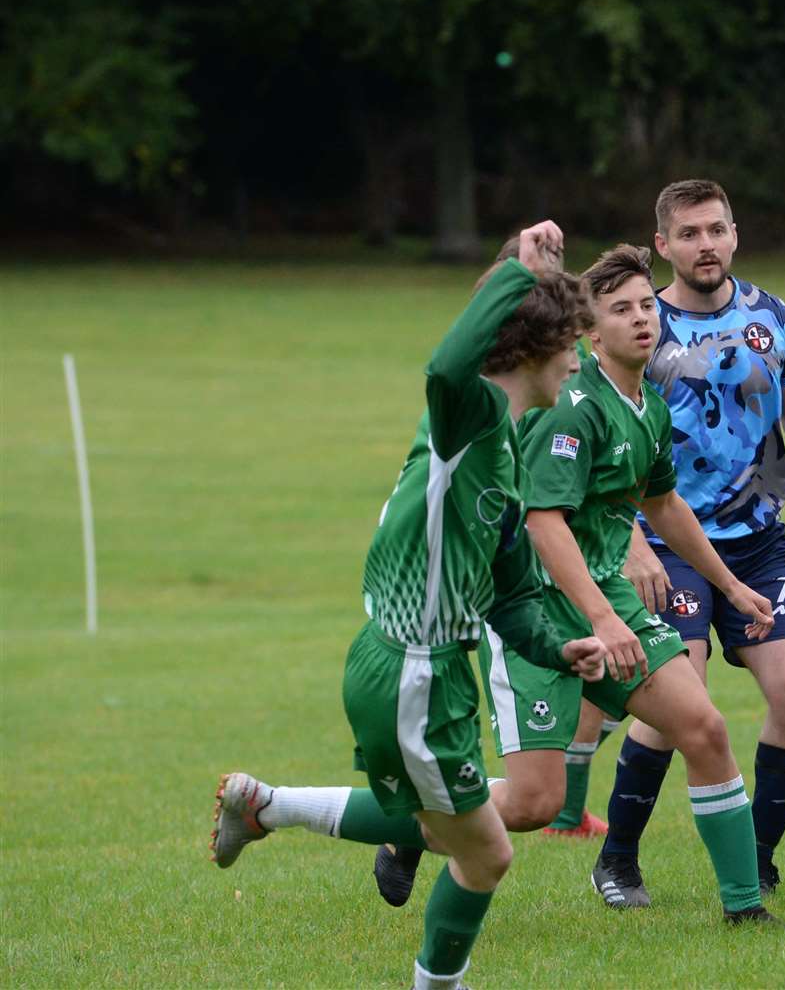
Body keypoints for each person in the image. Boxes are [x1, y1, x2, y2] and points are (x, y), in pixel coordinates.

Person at [209, 221, 610, 990]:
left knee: (448, 830)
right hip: (412, 675)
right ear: (533, 347)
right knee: (486, 853)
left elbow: (517, 592)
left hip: (418, 672)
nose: (578, 359)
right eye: (572, 342)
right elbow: (449, 359)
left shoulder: (500, 449)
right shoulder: (468, 419)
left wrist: (559, 646)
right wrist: (515, 273)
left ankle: (266, 807)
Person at [398, 242, 782, 922]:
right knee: (533, 804)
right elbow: (544, 523)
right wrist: (602, 618)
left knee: (705, 727)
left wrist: (727, 584)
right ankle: (413, 825)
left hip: (611, 600)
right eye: (620, 309)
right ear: (589, 330)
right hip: (539, 611)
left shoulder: (650, 408)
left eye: (645, 305)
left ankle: (745, 910)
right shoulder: (573, 406)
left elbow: (663, 504)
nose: (642, 319)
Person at [590, 178, 785, 906]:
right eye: (690, 233)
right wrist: (630, 539)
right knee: (681, 701)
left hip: (759, 541)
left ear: (735, 234)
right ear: (663, 245)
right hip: (668, 544)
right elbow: (610, 433)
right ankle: (617, 858)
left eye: (717, 229)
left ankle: (755, 859)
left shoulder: (772, 314)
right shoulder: (641, 326)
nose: (707, 244)